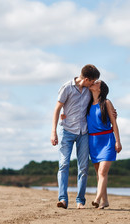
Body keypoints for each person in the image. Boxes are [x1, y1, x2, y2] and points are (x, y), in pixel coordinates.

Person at [50, 64, 100, 209]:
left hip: (84, 132)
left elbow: (100, 98)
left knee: (83, 167)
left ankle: (80, 201)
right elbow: (57, 109)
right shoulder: (67, 88)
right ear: (86, 79)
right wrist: (53, 131)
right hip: (66, 131)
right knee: (64, 164)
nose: (93, 84)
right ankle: (63, 199)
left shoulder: (89, 89)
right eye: (92, 81)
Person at [87, 80, 122, 209]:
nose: (93, 83)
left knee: (102, 172)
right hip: (93, 142)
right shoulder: (88, 104)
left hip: (107, 140)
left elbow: (114, 123)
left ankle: (97, 198)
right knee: (99, 173)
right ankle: (105, 201)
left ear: (100, 89)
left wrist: (118, 141)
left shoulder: (106, 103)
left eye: (96, 83)